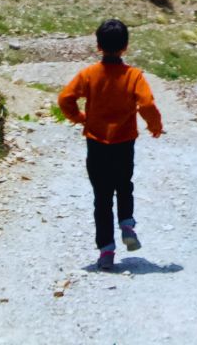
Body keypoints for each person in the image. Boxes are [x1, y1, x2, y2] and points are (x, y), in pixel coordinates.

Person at [58, 18, 164, 270]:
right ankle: (127, 223)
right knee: (124, 184)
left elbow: (65, 98)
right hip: (123, 142)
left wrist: (79, 117)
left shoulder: (88, 75)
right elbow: (147, 104)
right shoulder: (133, 76)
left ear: (98, 45)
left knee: (101, 198)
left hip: (96, 143)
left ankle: (106, 252)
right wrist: (154, 126)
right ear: (126, 46)